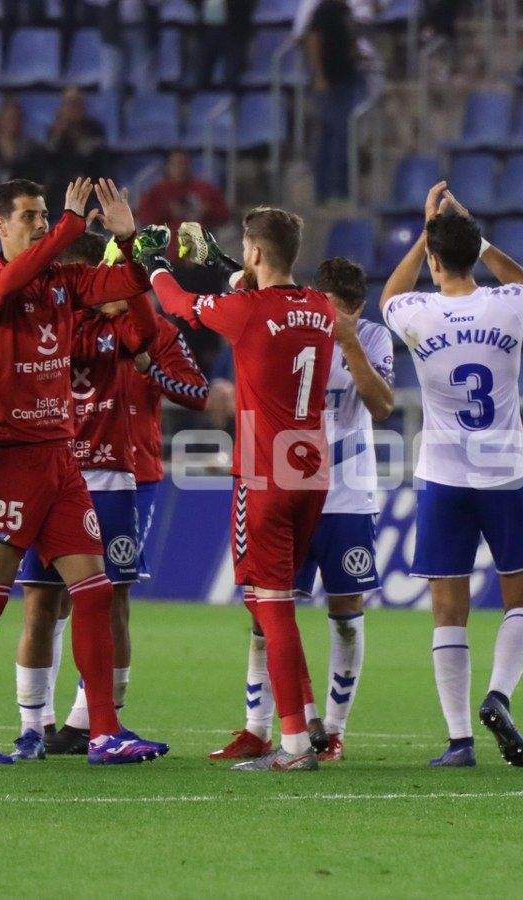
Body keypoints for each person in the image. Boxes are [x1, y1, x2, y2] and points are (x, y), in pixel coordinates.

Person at [0, 176, 167, 766]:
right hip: (6, 456)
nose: (43, 223)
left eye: (46, 214)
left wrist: (129, 237)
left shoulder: (64, 282)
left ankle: (103, 730)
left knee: (94, 592)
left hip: (60, 457)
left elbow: (130, 284)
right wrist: (74, 224)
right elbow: (11, 284)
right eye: (31, 215)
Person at [141, 206, 336, 772]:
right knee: (276, 603)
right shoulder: (321, 307)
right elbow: (268, 302)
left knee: (269, 605)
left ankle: (295, 744)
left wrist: (156, 267)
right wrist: (232, 269)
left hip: (265, 470)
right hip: (311, 468)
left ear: (254, 252)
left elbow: (179, 307)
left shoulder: (247, 311)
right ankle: (305, 718)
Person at [378, 183, 523, 768]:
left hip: (443, 476)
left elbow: (388, 295)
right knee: (521, 598)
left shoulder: (415, 312)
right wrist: (480, 239)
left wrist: (427, 230)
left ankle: (458, 742)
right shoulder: (507, 303)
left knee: (448, 609)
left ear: (432, 258)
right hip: (505, 472)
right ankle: (498, 694)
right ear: (475, 253)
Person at [210, 256, 394, 764]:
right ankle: (257, 727)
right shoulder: (290, 323)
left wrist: (350, 340)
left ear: (356, 310)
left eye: (342, 312)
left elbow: (381, 406)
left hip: (347, 495)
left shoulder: (373, 339)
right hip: (285, 483)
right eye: (327, 307)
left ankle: (331, 731)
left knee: (345, 615)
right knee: (264, 609)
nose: (329, 317)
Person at [10, 231, 159, 761]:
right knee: (39, 601)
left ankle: (90, 721)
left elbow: (149, 334)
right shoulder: (39, 327)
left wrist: (133, 282)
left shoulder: (115, 325)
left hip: (110, 477)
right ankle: (34, 727)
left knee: (110, 598)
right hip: (48, 474)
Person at [306, 0, 365, 202]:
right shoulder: (324, 11)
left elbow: (351, 39)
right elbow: (313, 42)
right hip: (331, 83)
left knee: (343, 137)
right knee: (331, 138)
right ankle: (326, 191)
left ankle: (341, 189)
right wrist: (320, 76)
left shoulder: (345, 11)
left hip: (347, 79)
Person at [136, 151, 231, 237]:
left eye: (184, 164)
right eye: (176, 164)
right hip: (167, 246)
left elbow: (225, 214)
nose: (180, 168)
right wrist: (167, 211)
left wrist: (207, 210)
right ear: (168, 166)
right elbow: (143, 217)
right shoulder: (157, 191)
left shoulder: (205, 189)